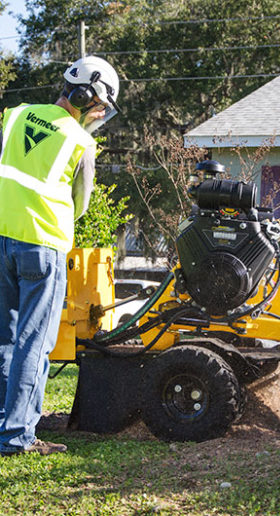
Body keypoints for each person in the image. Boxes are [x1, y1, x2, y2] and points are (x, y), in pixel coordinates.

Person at [0, 55, 120, 456]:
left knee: (4, 338)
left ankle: (5, 419)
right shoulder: (81, 143)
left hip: (1, 239)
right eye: (101, 107)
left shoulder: (15, 116)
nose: (100, 115)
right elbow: (81, 204)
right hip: (42, 247)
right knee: (33, 342)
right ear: (89, 96)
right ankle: (17, 436)